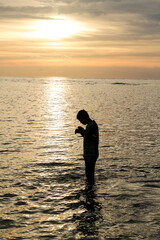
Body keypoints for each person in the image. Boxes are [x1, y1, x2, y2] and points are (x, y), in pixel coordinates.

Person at [75, 110, 99, 183]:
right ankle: (89, 189)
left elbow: (93, 138)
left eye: (81, 120)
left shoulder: (93, 125)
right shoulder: (88, 126)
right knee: (88, 174)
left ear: (85, 117)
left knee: (90, 174)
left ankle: (91, 189)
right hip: (87, 153)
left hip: (92, 154)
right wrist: (81, 132)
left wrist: (84, 131)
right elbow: (87, 137)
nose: (81, 122)